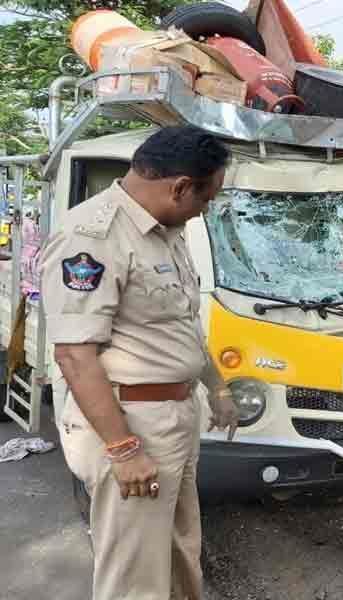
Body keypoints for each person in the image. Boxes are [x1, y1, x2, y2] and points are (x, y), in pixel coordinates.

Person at [40, 126, 240, 600]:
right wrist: (124, 449)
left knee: (177, 550)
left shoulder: (166, 232)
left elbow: (181, 324)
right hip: (131, 422)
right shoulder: (93, 237)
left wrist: (217, 388)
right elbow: (74, 353)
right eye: (206, 198)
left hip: (174, 418)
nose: (205, 209)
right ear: (180, 187)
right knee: (134, 571)